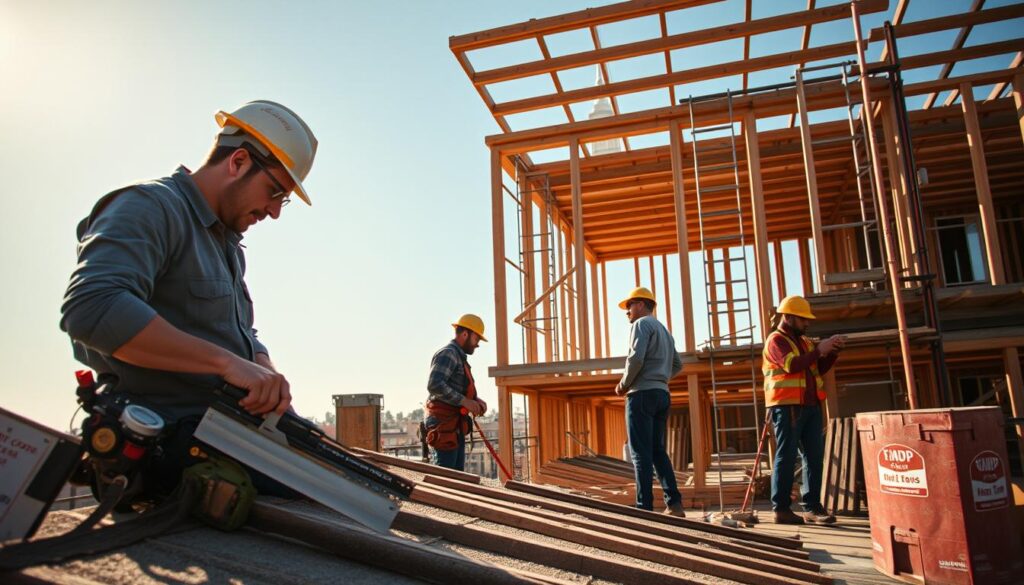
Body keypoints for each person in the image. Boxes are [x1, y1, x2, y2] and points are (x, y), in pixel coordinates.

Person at [60, 100, 318, 496]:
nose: (273, 211)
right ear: (238, 162)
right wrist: (226, 363)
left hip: (233, 433)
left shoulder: (226, 245)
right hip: (177, 439)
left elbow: (239, 332)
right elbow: (93, 306)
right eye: (274, 191)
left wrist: (262, 368)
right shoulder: (150, 208)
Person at [762, 295, 845, 525]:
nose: (807, 323)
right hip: (787, 406)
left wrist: (832, 352)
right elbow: (791, 366)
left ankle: (812, 507)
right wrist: (819, 350)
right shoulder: (776, 340)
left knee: (814, 457)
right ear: (788, 317)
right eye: (803, 319)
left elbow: (817, 367)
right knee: (786, 456)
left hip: (810, 405)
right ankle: (781, 508)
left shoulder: (805, 342)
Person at [614, 287, 686, 516]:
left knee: (640, 453)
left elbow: (635, 358)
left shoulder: (641, 324)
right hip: (662, 394)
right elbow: (678, 365)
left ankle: (644, 508)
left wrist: (624, 384)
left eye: (630, 305)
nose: (627, 312)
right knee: (657, 451)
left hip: (641, 395)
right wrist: (660, 377)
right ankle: (674, 503)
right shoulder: (664, 330)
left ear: (642, 304)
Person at [424, 314, 489, 471]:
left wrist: (475, 400)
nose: (477, 344)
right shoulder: (448, 354)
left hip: (453, 425)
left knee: (456, 476)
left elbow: (455, 388)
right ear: (465, 334)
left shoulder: (459, 357)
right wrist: (466, 402)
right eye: (476, 339)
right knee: (446, 478)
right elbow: (435, 385)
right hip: (444, 424)